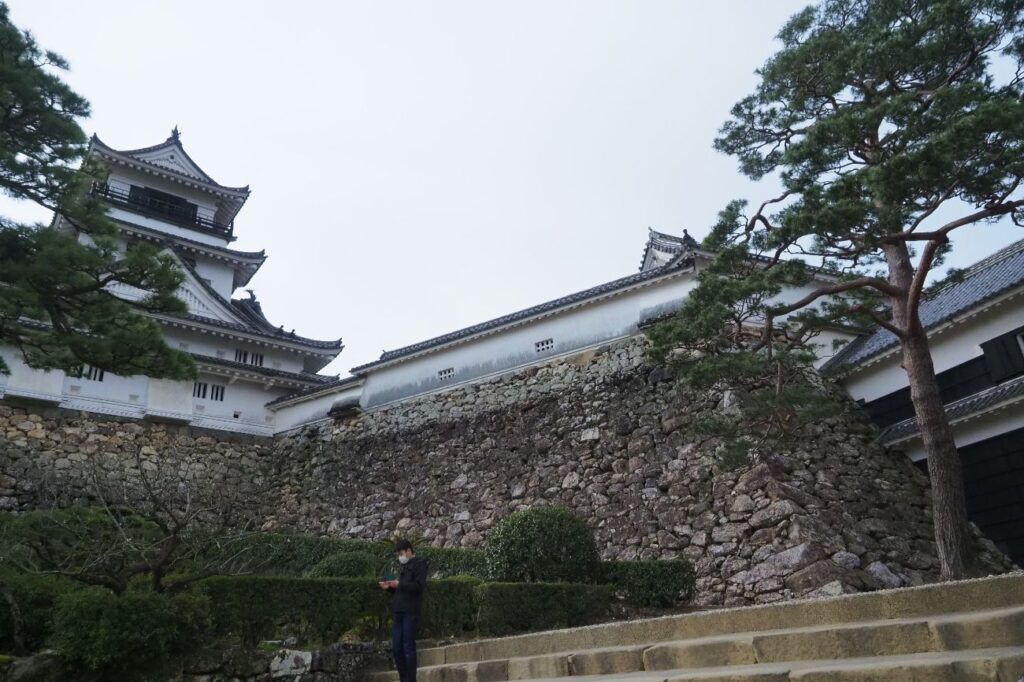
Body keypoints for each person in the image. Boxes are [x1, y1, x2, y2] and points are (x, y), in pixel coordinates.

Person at [379, 538, 427, 682]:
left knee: (408, 646)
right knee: (396, 647)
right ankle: (404, 678)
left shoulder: (420, 564)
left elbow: (418, 587)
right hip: (398, 610)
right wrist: (389, 587)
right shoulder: (403, 567)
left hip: (410, 610)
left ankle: (410, 680)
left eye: (401, 553)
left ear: (408, 551)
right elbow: (401, 589)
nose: (400, 557)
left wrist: (400, 584)